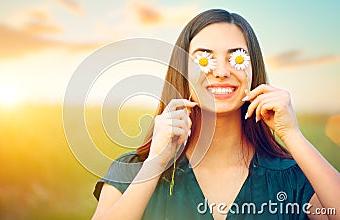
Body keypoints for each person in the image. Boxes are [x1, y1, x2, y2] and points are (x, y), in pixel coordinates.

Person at [92, 9, 340, 220]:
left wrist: (292, 134)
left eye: (237, 58)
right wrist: (156, 162)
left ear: (254, 69)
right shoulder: (133, 170)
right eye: (203, 59)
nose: (221, 71)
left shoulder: (291, 178)